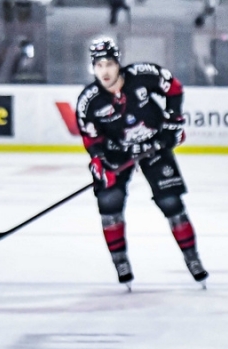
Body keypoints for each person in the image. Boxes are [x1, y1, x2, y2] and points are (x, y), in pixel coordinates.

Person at [75, 37, 208, 288]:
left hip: (153, 145)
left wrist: (173, 123)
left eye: (109, 64)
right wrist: (99, 161)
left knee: (171, 202)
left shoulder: (143, 75)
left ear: (118, 63)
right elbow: (91, 137)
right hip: (116, 152)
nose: (105, 71)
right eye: (99, 66)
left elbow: (174, 88)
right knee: (109, 202)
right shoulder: (89, 101)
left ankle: (192, 258)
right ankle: (120, 262)